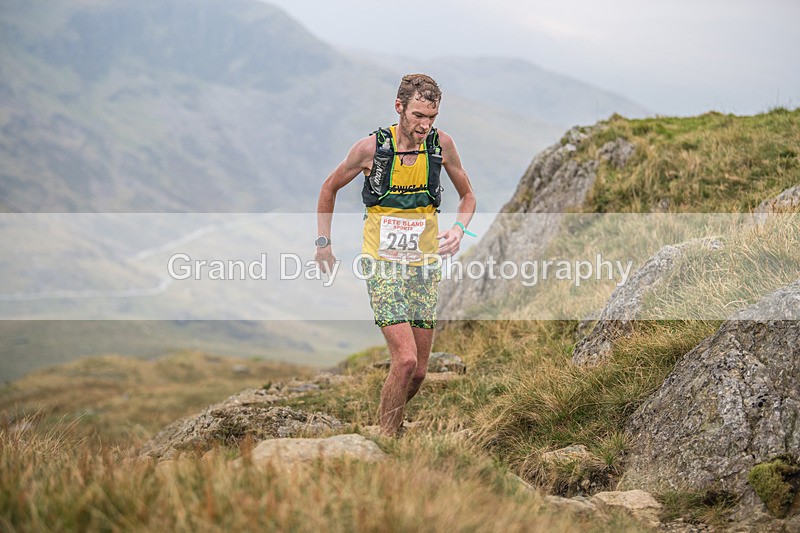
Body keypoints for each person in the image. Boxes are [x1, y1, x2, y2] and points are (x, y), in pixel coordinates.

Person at [315, 74, 476, 437]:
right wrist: (323, 243)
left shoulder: (440, 145)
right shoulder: (370, 149)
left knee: (419, 370)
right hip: (382, 265)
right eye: (418, 115)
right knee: (404, 359)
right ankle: (385, 440)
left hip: (423, 269)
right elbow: (329, 187)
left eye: (432, 118)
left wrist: (457, 230)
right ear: (399, 107)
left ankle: (392, 426)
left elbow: (468, 197)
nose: (424, 125)